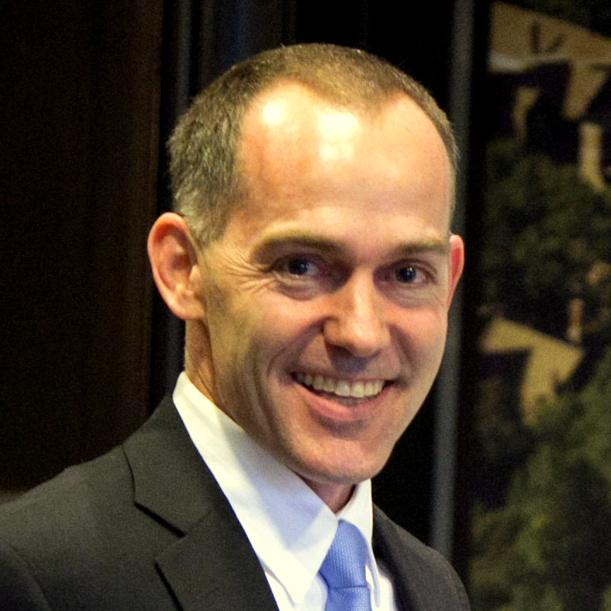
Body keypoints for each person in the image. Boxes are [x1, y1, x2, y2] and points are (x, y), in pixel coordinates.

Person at [0, 43, 468, 610]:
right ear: (183, 270)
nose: (361, 333)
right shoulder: (40, 574)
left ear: (450, 279)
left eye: (407, 273)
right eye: (301, 266)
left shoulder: (432, 588)